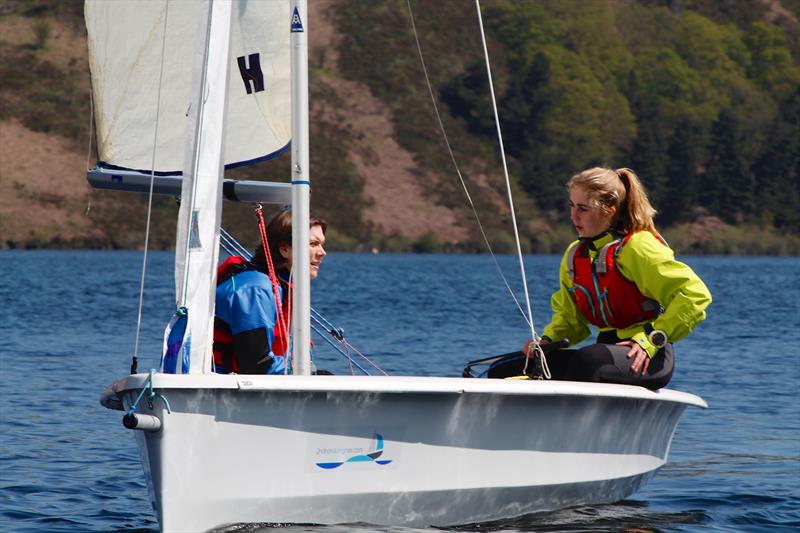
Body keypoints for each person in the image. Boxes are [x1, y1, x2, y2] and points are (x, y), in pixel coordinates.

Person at [507, 167, 711, 389]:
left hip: (647, 358)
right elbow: (570, 321)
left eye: (583, 208)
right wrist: (547, 342)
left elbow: (694, 295)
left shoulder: (638, 247)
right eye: (572, 206)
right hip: (604, 353)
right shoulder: (575, 255)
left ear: (610, 210)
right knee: (512, 366)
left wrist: (651, 340)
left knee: (589, 360)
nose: (574, 216)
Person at [213, 209, 327, 374]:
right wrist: (309, 374)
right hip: (218, 386)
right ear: (284, 250)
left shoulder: (279, 285)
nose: (322, 252)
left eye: (322, 244)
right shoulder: (255, 290)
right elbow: (256, 364)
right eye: (313, 244)